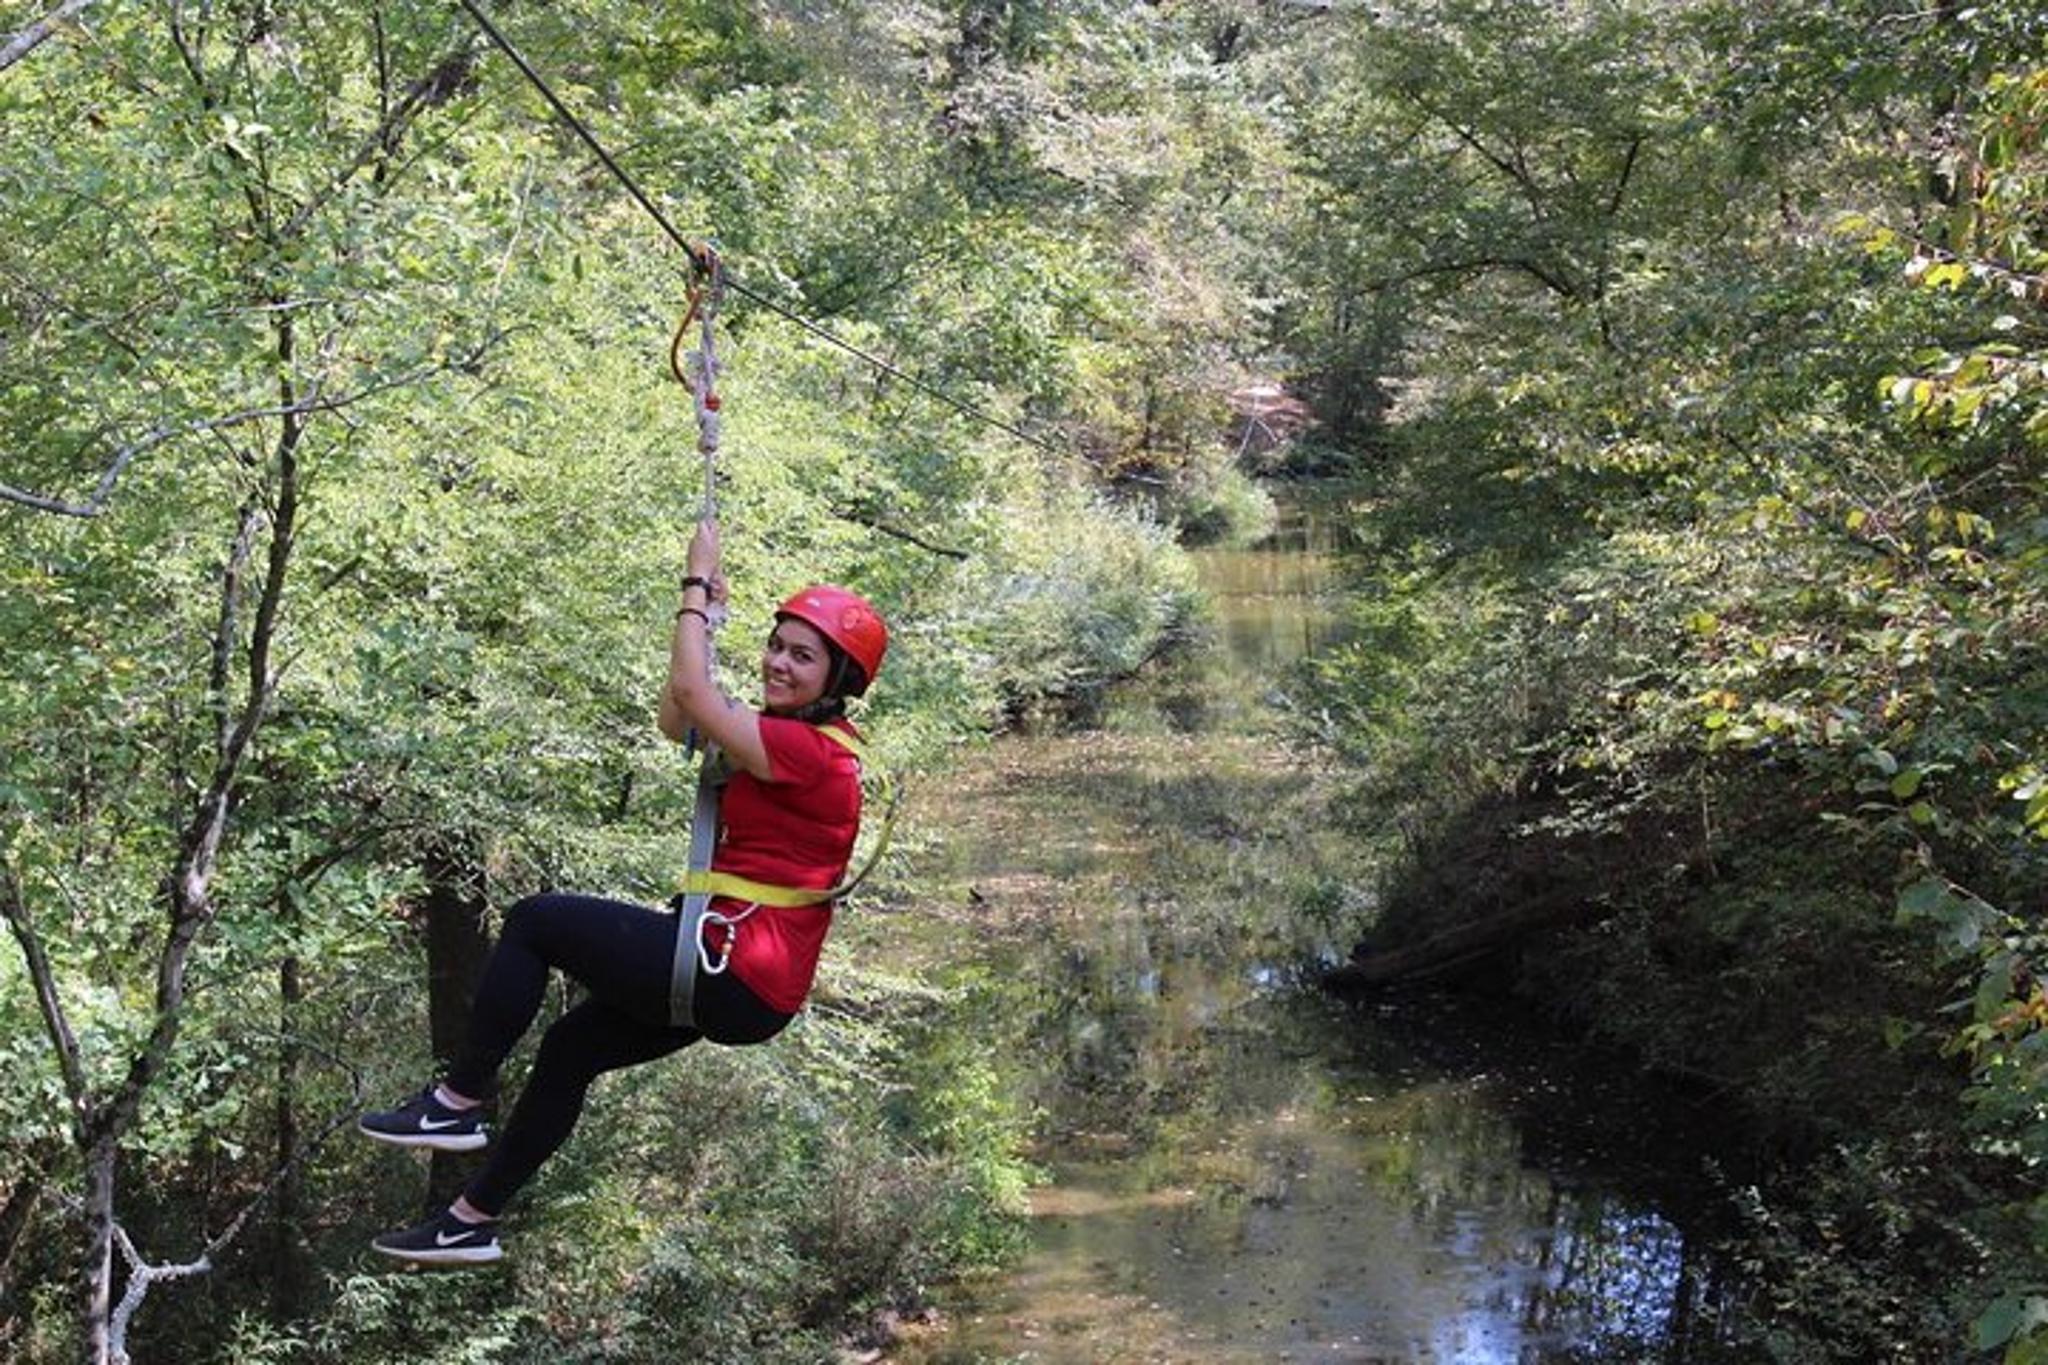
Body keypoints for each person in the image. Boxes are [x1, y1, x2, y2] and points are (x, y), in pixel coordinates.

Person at [358, 518, 887, 1265]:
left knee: (536, 920)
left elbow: (690, 693)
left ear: (838, 683)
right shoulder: (781, 737)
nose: (778, 663)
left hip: (728, 967)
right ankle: (469, 1218)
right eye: (776, 645)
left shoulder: (808, 754)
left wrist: (696, 586)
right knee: (571, 1046)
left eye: (803, 657)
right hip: (739, 985)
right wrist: (705, 625)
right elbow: (678, 715)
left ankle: (457, 1100)